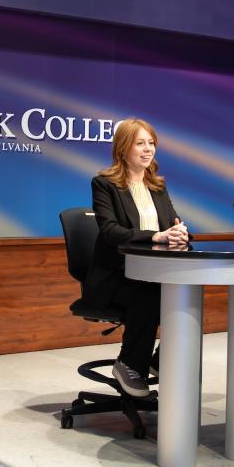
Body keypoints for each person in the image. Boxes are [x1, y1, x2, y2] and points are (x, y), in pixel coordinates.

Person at [83, 118, 189, 398]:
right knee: (150, 293)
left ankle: (159, 361)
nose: (147, 149)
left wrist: (178, 233)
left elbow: (170, 223)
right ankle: (130, 364)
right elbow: (110, 231)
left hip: (151, 273)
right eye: (139, 143)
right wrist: (155, 236)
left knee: (185, 293)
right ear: (122, 148)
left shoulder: (157, 186)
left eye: (151, 143)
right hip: (113, 277)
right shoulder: (105, 184)